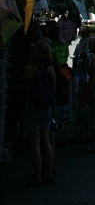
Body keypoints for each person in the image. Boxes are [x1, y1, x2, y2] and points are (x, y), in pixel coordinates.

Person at [23, 40, 56, 185]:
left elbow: (25, 90)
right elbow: (53, 90)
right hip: (47, 107)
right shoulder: (50, 70)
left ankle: (37, 176)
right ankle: (48, 172)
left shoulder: (29, 69)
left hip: (34, 106)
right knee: (46, 140)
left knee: (35, 143)